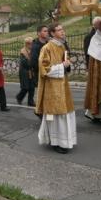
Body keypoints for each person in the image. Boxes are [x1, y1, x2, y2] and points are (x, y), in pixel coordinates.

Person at [36, 23, 77, 154]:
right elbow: (44, 69)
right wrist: (62, 66)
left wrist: (68, 64)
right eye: (59, 30)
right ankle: (56, 142)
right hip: (52, 88)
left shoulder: (62, 46)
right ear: (52, 33)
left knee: (65, 113)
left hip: (63, 85)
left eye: (63, 29)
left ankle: (65, 140)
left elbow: (66, 64)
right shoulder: (47, 48)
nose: (62, 32)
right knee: (54, 115)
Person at [16, 37, 35, 106]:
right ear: (27, 44)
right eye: (30, 44)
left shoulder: (33, 51)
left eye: (32, 44)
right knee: (25, 87)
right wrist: (32, 63)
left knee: (32, 88)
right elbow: (24, 63)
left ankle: (30, 102)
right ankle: (19, 97)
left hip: (32, 71)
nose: (32, 45)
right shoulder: (23, 51)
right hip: (24, 72)